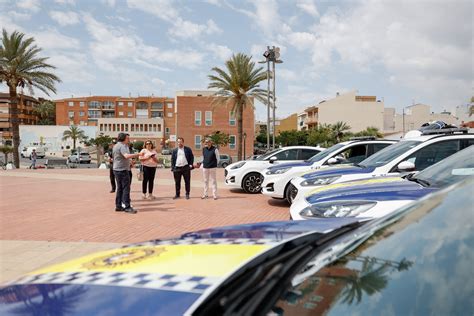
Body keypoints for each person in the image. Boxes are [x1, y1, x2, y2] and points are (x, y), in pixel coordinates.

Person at [113, 133, 144, 214]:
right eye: (127, 138)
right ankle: (127, 206)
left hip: (117, 169)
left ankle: (118, 206)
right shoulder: (122, 146)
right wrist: (138, 154)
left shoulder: (116, 145)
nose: (128, 139)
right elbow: (126, 156)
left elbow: (122, 157)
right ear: (123, 139)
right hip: (122, 170)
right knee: (126, 188)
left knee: (120, 188)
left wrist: (130, 162)